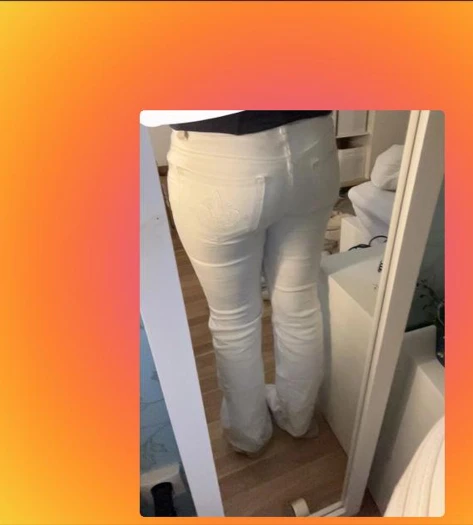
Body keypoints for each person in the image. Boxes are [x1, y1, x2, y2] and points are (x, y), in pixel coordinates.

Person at [141, 111, 340, 455]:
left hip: (217, 158)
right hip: (313, 143)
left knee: (234, 320)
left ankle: (249, 435)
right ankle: (298, 418)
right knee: (299, 304)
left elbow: (151, 110)